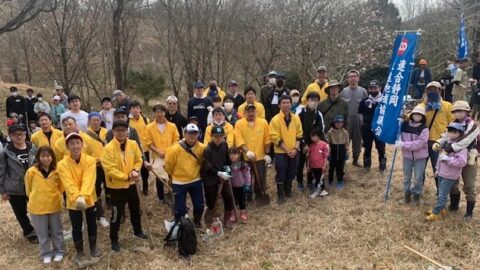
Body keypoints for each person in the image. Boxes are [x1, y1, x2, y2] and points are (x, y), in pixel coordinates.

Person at [101, 121, 148, 252]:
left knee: (135, 210)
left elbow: (139, 159)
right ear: (113, 132)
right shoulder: (108, 148)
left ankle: (138, 231)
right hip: (117, 188)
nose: (121, 133)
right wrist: (126, 176)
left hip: (133, 185)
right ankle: (114, 239)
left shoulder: (133, 144)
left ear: (127, 131)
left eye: (123, 130)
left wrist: (135, 170)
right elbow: (110, 170)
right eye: (118, 130)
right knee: (116, 214)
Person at [57, 133, 101, 262]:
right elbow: (67, 182)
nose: (75, 146)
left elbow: (89, 179)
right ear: (67, 146)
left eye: (77, 143)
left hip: (89, 199)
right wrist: (77, 197)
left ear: (82, 145)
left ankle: (93, 246)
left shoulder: (90, 160)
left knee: (92, 224)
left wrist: (83, 196)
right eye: (72, 144)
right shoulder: (62, 164)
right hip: (73, 202)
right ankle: (80, 251)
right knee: (76, 227)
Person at [433, 101, 479, 219]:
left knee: (469, 184)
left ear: (467, 111)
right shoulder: (453, 122)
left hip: (468, 157)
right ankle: (454, 206)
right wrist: (439, 142)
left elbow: (466, 139)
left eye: (460, 111)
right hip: (452, 156)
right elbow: (446, 135)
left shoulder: (473, 124)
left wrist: (450, 148)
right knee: (452, 181)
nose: (457, 113)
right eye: (455, 111)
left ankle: (469, 213)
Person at [24, 146, 65, 264]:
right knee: (42, 233)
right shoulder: (31, 172)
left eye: (48, 156)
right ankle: (46, 253)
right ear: (38, 157)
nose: (45, 159)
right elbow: (28, 189)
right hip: (37, 207)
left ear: (52, 157)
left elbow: (61, 188)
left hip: (54, 205)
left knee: (56, 231)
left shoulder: (57, 171)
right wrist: (34, 197)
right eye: (42, 156)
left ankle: (59, 251)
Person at [0, 124, 37, 243]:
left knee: (39, 208)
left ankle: (44, 229)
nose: (19, 137)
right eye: (16, 135)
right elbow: (1, 172)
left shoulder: (33, 148)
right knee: (21, 213)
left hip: (34, 186)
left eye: (22, 134)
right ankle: (29, 231)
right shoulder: (5, 153)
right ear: (10, 136)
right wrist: (3, 191)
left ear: (25, 135)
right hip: (15, 188)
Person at [164, 124, 206, 227]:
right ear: (184, 134)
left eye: (195, 134)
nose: (192, 136)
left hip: (195, 180)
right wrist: (171, 177)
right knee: (180, 209)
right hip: (179, 182)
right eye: (189, 133)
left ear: (198, 134)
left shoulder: (202, 147)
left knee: (199, 205)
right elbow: (168, 166)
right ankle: (182, 226)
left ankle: (197, 222)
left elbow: (202, 162)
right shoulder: (174, 149)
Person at [425, 123, 467, 221]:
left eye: (454, 132)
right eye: (449, 131)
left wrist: (448, 159)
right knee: (440, 192)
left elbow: (462, 162)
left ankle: (436, 213)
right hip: (441, 173)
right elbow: (440, 159)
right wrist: (437, 170)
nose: (451, 134)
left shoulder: (461, 147)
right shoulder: (445, 143)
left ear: (460, 133)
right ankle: (442, 210)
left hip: (450, 176)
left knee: (443, 194)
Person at [417, 81, 454, 193]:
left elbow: (452, 122)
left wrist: (447, 136)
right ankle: (418, 191)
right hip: (423, 142)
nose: (432, 91)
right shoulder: (422, 106)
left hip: (439, 143)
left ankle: (440, 193)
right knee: (420, 169)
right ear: (426, 91)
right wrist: (404, 116)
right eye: (430, 90)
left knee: (438, 169)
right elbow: (413, 116)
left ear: (439, 90)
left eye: (435, 89)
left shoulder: (447, 106)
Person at [234, 104, 271, 201]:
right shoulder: (239, 124)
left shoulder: (263, 122)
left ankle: (259, 194)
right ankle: (248, 194)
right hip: (245, 157)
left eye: (253, 111)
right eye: (248, 111)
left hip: (260, 156)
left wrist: (267, 153)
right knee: (246, 177)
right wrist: (247, 152)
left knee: (261, 177)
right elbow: (239, 140)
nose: (251, 113)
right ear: (244, 113)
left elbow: (267, 139)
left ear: (256, 112)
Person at [270, 95, 303, 203]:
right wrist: (287, 150)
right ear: (279, 105)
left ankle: (288, 191)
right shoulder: (275, 120)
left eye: (288, 102)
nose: (286, 105)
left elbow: (299, 135)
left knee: (292, 170)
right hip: (281, 151)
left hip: (294, 150)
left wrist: (295, 149)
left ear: (291, 104)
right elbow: (275, 138)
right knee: (281, 171)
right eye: (283, 103)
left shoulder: (296, 118)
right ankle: (280, 195)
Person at [202, 126, 236, 229]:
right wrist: (219, 174)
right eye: (216, 136)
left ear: (223, 137)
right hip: (210, 179)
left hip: (223, 177)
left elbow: (226, 161)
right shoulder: (207, 150)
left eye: (220, 136)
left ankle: (227, 219)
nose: (218, 138)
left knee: (229, 197)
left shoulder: (225, 146)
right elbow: (208, 167)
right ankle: (213, 220)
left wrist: (227, 173)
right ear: (211, 136)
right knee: (212, 201)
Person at [145, 104, 179, 203]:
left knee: (171, 176)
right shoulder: (149, 127)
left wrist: (169, 151)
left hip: (170, 155)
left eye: (162, 112)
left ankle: (172, 194)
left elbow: (176, 140)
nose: (159, 114)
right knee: (160, 178)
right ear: (154, 113)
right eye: (157, 112)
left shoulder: (172, 126)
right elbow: (148, 142)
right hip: (157, 156)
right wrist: (158, 151)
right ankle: (161, 197)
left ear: (165, 113)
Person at [395, 105, 429, 206]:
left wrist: (403, 144)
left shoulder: (424, 129)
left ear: (423, 117)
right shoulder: (404, 125)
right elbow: (396, 131)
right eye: (415, 114)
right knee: (406, 177)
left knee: (418, 177)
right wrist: (398, 121)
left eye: (420, 115)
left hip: (420, 157)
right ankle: (406, 195)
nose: (417, 116)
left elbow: (419, 144)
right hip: (407, 157)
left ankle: (416, 195)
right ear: (412, 115)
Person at [296, 92, 325, 193]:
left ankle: (310, 181)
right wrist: (304, 144)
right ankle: (299, 181)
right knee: (300, 163)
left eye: (316, 100)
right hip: (300, 143)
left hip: (314, 143)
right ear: (307, 101)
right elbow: (297, 129)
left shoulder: (318, 114)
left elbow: (321, 129)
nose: (313, 102)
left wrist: (317, 142)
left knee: (312, 163)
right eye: (311, 100)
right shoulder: (300, 112)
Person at [84, 112, 110, 227]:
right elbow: (84, 154)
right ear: (89, 121)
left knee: (110, 187)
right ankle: (100, 214)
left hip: (108, 166)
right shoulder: (84, 135)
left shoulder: (106, 132)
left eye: (98, 120)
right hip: (95, 167)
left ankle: (110, 205)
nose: (96, 122)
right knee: (96, 190)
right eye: (94, 120)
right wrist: (96, 159)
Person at [341, 70, 368, 167]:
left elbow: (366, 107)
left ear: (358, 78)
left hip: (359, 121)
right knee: (344, 141)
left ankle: (355, 159)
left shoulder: (363, 91)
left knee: (357, 141)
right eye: (350, 76)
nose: (353, 78)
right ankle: (342, 160)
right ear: (347, 79)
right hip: (346, 121)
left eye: (355, 76)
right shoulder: (343, 91)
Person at [358, 80, 386, 171]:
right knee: (367, 147)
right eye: (371, 88)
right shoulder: (364, 101)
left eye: (375, 88)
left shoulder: (384, 101)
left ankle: (382, 166)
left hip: (379, 128)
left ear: (380, 88)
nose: (373, 90)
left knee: (381, 148)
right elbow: (360, 112)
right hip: (367, 127)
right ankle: (366, 166)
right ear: (368, 89)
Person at [129, 101, 151, 195]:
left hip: (144, 149)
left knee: (145, 171)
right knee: (133, 170)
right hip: (132, 151)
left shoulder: (146, 120)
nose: (135, 110)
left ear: (140, 109)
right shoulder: (127, 121)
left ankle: (145, 188)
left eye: (137, 108)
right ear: (130, 110)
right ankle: (133, 189)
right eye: (133, 108)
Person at [326, 116, 349, 189]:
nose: (339, 124)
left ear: (343, 123)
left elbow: (347, 143)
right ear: (334, 123)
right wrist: (328, 153)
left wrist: (347, 152)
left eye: (340, 123)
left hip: (342, 152)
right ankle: (330, 180)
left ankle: (340, 180)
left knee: (340, 167)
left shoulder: (345, 132)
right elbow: (327, 143)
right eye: (337, 122)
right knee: (332, 167)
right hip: (333, 151)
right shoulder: (330, 132)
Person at [228, 147, 251, 222]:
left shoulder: (243, 165)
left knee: (242, 200)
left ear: (239, 155)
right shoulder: (228, 166)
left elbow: (247, 175)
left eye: (235, 154)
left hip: (242, 186)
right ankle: (233, 214)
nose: (232, 156)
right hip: (232, 187)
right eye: (231, 154)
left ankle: (243, 213)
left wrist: (247, 185)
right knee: (233, 200)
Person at [308, 127, 330, 198]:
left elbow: (325, 156)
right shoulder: (311, 145)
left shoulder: (323, 144)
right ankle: (318, 188)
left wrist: (324, 165)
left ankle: (323, 190)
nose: (312, 138)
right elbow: (308, 157)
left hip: (320, 166)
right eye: (311, 137)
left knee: (321, 178)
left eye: (313, 136)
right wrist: (308, 166)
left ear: (318, 136)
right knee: (317, 177)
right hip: (313, 166)